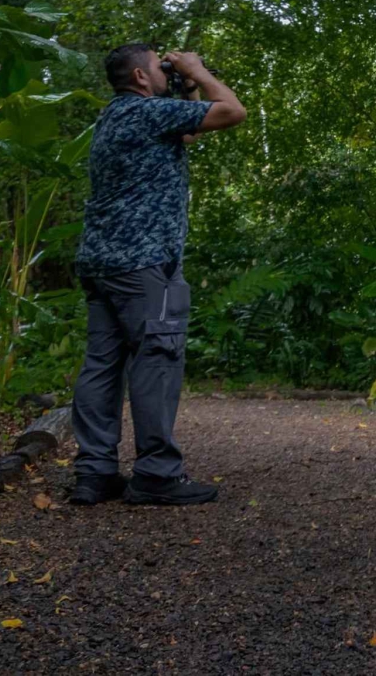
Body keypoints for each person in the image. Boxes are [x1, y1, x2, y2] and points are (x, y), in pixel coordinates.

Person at [69, 45, 246, 506]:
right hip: (145, 264)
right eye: (159, 67)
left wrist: (185, 87)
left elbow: (188, 133)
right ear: (141, 77)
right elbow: (232, 111)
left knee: (102, 365)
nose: (166, 72)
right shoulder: (146, 113)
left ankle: (94, 473)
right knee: (157, 359)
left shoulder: (115, 116)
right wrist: (196, 70)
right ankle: (156, 473)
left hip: (101, 262)